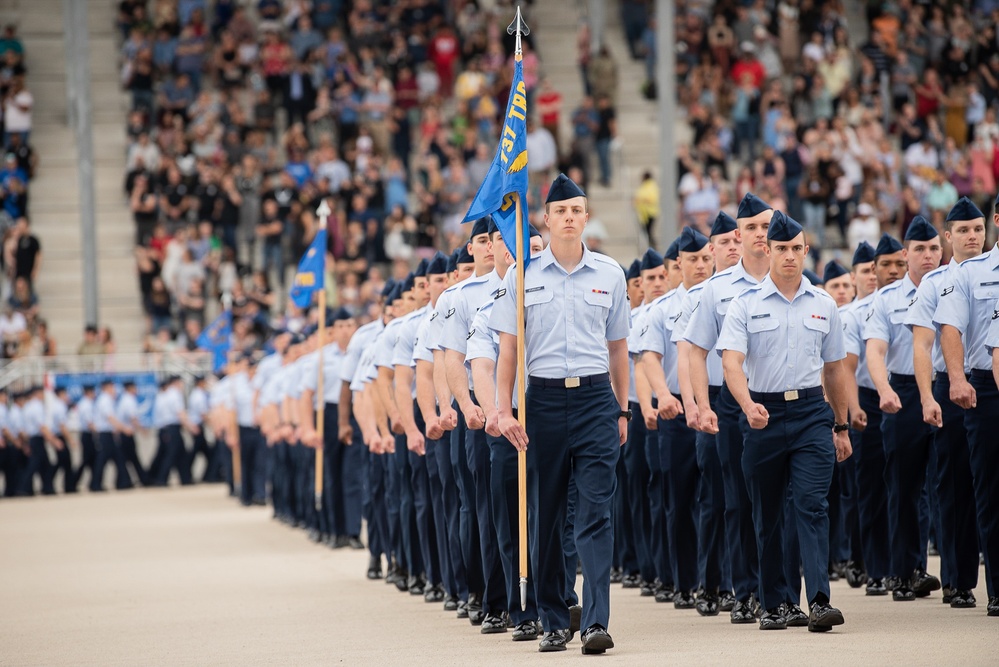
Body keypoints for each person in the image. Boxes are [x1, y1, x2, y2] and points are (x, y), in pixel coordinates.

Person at [492, 173, 630, 654]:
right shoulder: (522, 275)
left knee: (594, 513)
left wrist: (622, 409)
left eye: (577, 211)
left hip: (595, 401)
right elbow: (508, 349)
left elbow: (618, 350)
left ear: (586, 218)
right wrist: (502, 408)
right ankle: (553, 617)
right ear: (545, 220)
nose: (569, 218)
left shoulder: (611, 273)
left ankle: (595, 621)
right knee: (545, 516)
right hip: (542, 403)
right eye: (561, 212)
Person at [717, 210, 852, 632]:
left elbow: (835, 370)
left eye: (797, 249)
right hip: (764, 415)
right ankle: (775, 602)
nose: (790, 256)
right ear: (767, 250)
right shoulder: (745, 304)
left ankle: (818, 600)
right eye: (782, 249)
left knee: (812, 505)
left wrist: (841, 425)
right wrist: (746, 404)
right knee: (768, 513)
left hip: (813, 413)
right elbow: (732, 362)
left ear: (806, 250)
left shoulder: (824, 304)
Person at [684, 193, 773, 623]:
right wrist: (701, 405)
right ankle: (745, 589)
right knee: (735, 500)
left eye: (764, 227)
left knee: (778, 499)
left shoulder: (786, 276)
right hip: (729, 404)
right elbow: (694, 352)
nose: (756, 237)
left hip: (777, 398)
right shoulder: (715, 290)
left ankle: (779, 589)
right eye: (750, 229)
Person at [905, 197, 985, 609]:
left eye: (978, 229)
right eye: (964, 231)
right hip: (951, 390)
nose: (972, 237)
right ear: (949, 236)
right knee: (954, 485)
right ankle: (957, 577)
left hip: (990, 385)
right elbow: (921, 344)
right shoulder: (935, 283)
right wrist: (925, 396)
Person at [864, 216, 943, 602]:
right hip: (905, 393)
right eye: (919, 250)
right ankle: (902, 571)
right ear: (905, 254)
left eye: (932, 249)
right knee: (903, 486)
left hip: (947, 388)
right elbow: (875, 351)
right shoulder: (886, 299)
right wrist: (884, 389)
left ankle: (939, 573)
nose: (927, 256)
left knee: (945, 485)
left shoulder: (952, 286)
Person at [673, 210, 744, 616]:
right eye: (725, 244)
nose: (733, 248)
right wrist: (695, 405)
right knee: (715, 498)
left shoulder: (757, 286)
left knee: (748, 496)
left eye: (738, 240)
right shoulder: (703, 295)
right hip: (713, 396)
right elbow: (687, 355)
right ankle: (711, 583)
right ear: (712, 249)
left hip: (751, 394)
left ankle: (745, 583)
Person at [641, 226, 715, 611]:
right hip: (674, 415)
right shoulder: (661, 309)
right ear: (677, 266)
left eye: (706, 258)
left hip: (714, 407)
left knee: (717, 500)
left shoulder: (725, 300)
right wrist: (665, 396)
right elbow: (649, 357)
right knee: (679, 501)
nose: (701, 266)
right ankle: (683, 581)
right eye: (692, 260)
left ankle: (714, 583)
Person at [933, 193, 999, 618]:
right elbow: (950, 328)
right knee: (990, 492)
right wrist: (956, 378)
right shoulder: (971, 274)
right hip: (987, 394)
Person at [441, 217, 508, 632]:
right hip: (481, 416)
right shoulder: (458, 296)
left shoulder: (521, 283)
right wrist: (466, 404)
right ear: (471, 248)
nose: (487, 247)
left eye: (493, 239)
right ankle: (489, 596)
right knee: (486, 509)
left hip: (524, 407)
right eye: (481, 241)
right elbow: (450, 357)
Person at [842, 235, 905, 596]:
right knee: (870, 489)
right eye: (868, 270)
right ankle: (875, 567)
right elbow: (846, 368)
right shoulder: (851, 314)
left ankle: (905, 565)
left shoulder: (910, 301)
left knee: (906, 486)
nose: (874, 275)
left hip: (903, 393)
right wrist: (853, 409)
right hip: (866, 399)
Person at [93, 380, 134, 491]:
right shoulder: (104, 400)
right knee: (102, 460)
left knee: (118, 458)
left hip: (109, 434)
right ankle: (96, 484)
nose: (114, 390)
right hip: (105, 435)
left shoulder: (108, 400)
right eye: (113, 388)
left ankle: (123, 482)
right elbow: (110, 418)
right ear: (107, 388)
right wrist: (124, 428)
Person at [116, 380, 149, 486]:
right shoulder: (129, 400)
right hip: (127, 433)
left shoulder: (124, 399)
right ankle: (136, 480)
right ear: (130, 388)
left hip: (125, 433)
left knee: (128, 459)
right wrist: (142, 429)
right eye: (135, 388)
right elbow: (133, 418)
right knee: (130, 458)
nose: (136, 390)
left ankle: (126, 481)